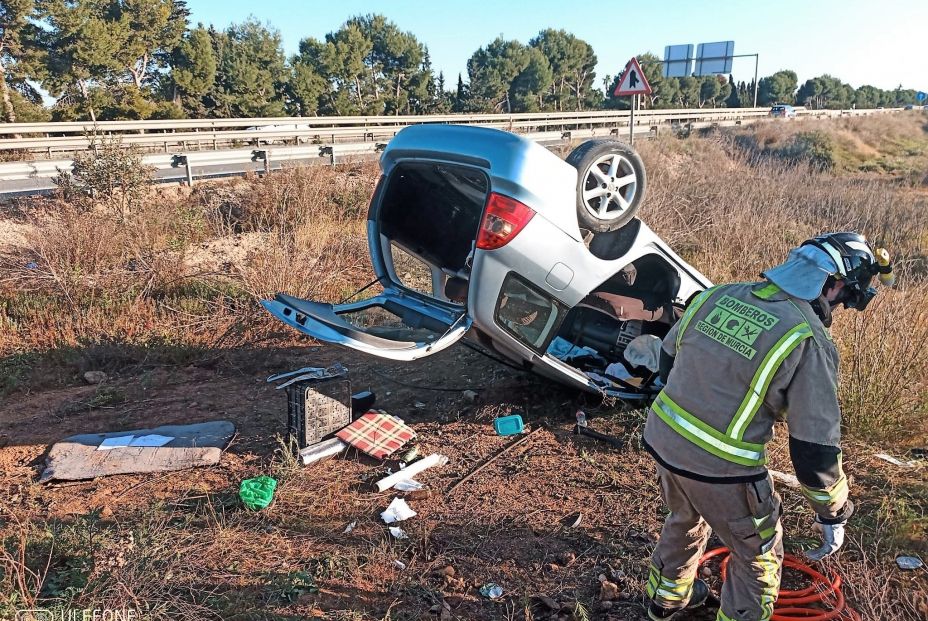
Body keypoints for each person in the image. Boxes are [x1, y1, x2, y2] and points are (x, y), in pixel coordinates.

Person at [641, 232, 893, 621]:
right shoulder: (808, 340)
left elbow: (668, 362)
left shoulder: (716, 296)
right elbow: (814, 450)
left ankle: (665, 600)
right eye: (844, 297)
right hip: (724, 470)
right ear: (832, 284)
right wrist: (833, 512)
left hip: (664, 440)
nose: (838, 307)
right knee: (758, 556)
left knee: (685, 516)